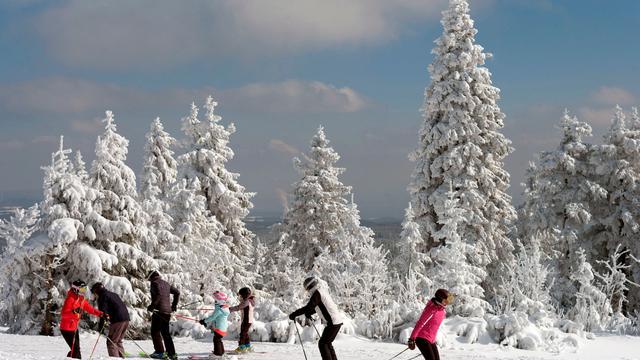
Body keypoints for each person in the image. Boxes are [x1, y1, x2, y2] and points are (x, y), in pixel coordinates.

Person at [289, 276, 343, 360]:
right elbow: (318, 307)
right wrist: (308, 313)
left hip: (333, 322)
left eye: (306, 289)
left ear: (309, 287)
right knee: (327, 343)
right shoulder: (321, 292)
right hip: (336, 321)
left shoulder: (317, 294)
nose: (306, 291)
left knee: (323, 344)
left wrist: (294, 314)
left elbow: (308, 307)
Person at [60, 280, 106, 359]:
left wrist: (101, 314)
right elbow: (64, 314)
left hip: (74, 327)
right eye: (81, 289)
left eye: (84, 289)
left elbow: (90, 309)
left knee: (76, 349)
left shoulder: (81, 299)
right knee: (75, 350)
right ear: (76, 289)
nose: (83, 291)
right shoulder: (70, 299)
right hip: (66, 328)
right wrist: (73, 311)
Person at [407, 289, 455, 360]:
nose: (446, 303)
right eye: (445, 301)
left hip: (430, 339)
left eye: (447, 301)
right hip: (422, 338)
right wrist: (411, 339)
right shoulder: (432, 309)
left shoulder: (441, 310)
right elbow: (420, 323)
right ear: (439, 299)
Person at [90, 282, 130, 358]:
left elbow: (103, 312)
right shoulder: (112, 294)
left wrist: (101, 326)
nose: (94, 295)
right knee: (117, 341)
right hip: (126, 319)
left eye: (94, 293)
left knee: (111, 342)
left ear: (97, 291)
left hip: (118, 320)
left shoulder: (102, 297)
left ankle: (115, 358)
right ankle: (122, 357)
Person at [146, 270, 180, 360]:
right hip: (167, 312)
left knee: (155, 332)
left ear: (151, 277)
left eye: (149, 278)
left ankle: (159, 352)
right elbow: (177, 292)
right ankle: (172, 354)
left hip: (158, 311)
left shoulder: (154, 283)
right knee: (166, 334)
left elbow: (159, 295)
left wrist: (152, 306)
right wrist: (174, 306)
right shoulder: (166, 283)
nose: (149, 280)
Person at [199, 291, 231, 358]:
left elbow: (212, 317)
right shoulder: (225, 307)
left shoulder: (219, 309)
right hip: (223, 327)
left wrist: (204, 321)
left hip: (219, 327)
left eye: (215, 301)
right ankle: (221, 352)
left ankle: (217, 353)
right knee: (219, 339)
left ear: (219, 301)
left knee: (216, 340)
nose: (215, 302)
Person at [229, 287, 255, 353]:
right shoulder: (250, 301)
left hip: (247, 319)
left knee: (242, 334)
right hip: (249, 320)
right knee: (245, 333)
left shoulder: (246, 302)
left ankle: (241, 347)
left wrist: (229, 309)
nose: (240, 297)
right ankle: (247, 346)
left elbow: (238, 307)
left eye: (241, 295)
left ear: (244, 295)